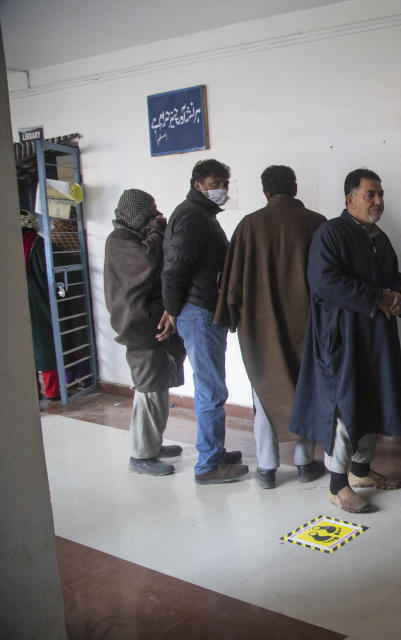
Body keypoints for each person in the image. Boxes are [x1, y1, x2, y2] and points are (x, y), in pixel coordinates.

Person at [290, 168, 401, 513]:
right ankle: (337, 485)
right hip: (342, 338)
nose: (378, 201)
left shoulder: (380, 239)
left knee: (371, 401)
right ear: (350, 199)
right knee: (343, 407)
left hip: (376, 338)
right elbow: (325, 282)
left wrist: (398, 296)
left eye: (380, 194)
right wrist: (379, 297)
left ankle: (361, 471)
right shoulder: (332, 233)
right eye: (370, 194)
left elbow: (393, 278)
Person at [214, 165, 326, 489]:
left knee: (265, 392)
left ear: (265, 192)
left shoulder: (249, 226)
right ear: (295, 187)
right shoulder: (317, 223)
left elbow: (231, 283)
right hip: (310, 324)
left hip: (262, 327)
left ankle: (267, 468)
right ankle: (305, 463)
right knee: (307, 390)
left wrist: (229, 318)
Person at [162, 159, 248, 485]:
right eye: (214, 182)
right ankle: (209, 465)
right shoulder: (192, 217)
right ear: (198, 184)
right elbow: (174, 267)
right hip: (198, 312)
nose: (221, 189)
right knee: (211, 389)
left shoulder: (201, 215)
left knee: (210, 385)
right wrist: (172, 309)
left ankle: (214, 451)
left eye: (224, 182)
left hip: (201, 310)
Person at [104, 189, 187, 475]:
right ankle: (141, 455)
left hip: (149, 322)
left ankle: (153, 443)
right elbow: (149, 261)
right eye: (149, 209)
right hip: (138, 326)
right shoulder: (119, 241)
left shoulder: (134, 238)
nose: (154, 213)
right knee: (148, 389)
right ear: (135, 212)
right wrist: (156, 228)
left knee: (159, 386)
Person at [20, 211, 59, 403]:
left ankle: (30, 391)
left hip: (16, 301)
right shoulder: (37, 242)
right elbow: (48, 271)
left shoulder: (9, 242)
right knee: (44, 343)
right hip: (37, 297)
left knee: (22, 347)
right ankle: (52, 391)